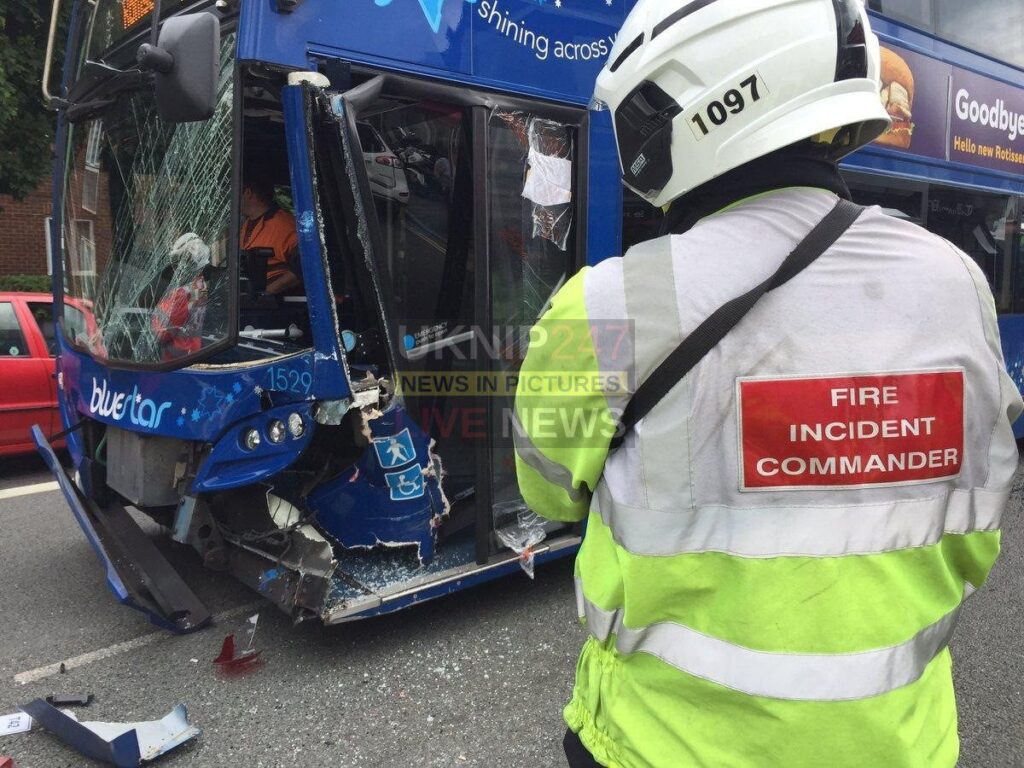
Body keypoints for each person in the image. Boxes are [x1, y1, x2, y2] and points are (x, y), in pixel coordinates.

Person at [512, 1, 1023, 766]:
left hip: (658, 745)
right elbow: (976, 526)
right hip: (902, 745)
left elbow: (548, 493)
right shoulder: (959, 285)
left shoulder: (610, 306)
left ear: (698, 106)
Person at [240, 170, 302, 295]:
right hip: (248, 300)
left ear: (248, 192)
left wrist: (267, 292)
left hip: (278, 305)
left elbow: (304, 265)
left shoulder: (284, 224)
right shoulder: (246, 225)